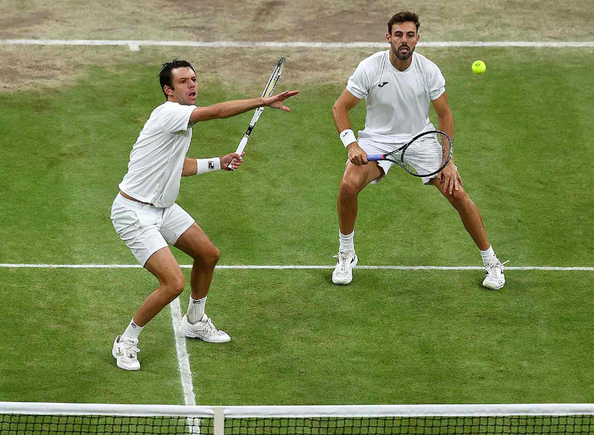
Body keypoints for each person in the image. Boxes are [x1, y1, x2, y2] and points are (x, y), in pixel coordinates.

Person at [111, 59, 298, 371]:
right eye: (184, 82)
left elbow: (178, 165)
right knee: (172, 283)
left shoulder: (178, 121)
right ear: (168, 91)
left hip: (163, 207)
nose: (192, 85)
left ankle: (195, 321)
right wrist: (262, 101)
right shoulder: (171, 113)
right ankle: (127, 340)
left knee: (208, 255)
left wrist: (218, 162)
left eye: (194, 79)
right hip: (134, 212)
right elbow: (218, 112)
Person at [331, 11, 506, 289]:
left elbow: (444, 115)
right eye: (398, 35)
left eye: (410, 35)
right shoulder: (370, 67)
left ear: (417, 39)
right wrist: (351, 143)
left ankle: (492, 262)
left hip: (420, 140)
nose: (404, 40)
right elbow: (340, 107)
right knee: (348, 185)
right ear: (388, 38)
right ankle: (346, 254)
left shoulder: (429, 70)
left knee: (457, 193)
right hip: (378, 140)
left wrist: (447, 160)